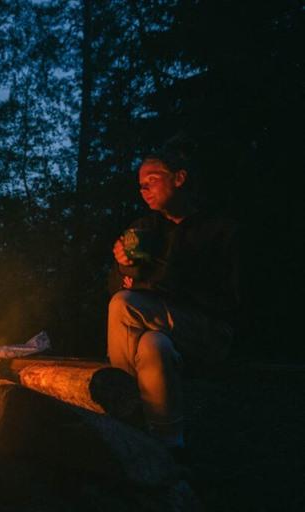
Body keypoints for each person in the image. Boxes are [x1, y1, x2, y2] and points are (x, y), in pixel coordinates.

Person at [107, 138, 240, 453]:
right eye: (141, 185)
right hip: (162, 329)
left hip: (207, 331)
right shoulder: (145, 229)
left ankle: (122, 414)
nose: (144, 190)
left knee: (125, 305)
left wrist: (159, 289)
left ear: (179, 179)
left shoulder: (219, 230)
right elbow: (118, 285)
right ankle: (168, 443)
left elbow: (231, 298)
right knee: (154, 344)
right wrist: (122, 265)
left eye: (152, 180)